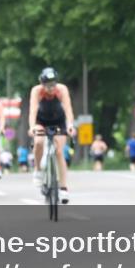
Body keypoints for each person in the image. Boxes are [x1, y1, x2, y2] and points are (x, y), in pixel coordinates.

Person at [28, 68, 76, 203]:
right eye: (48, 85)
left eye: (53, 84)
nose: (51, 88)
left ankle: (63, 188)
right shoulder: (36, 91)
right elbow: (32, 110)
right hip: (41, 121)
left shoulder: (62, 90)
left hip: (58, 121)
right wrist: (32, 127)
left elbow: (68, 108)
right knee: (38, 142)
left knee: (59, 152)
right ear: (42, 84)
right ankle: (37, 169)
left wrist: (70, 125)